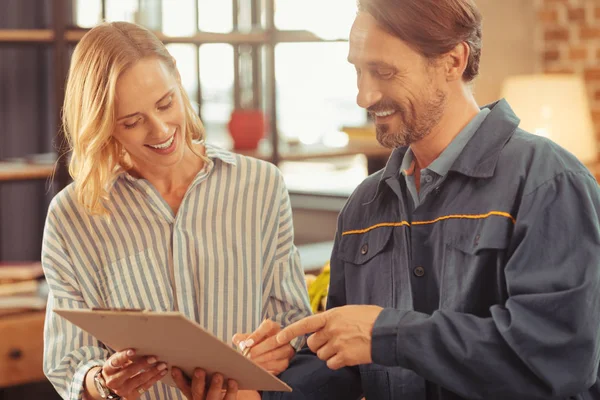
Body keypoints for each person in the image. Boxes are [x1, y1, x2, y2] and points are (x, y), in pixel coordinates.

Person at [267, 0, 600, 399]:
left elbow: (556, 358)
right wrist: (262, 386)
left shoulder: (547, 182)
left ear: (453, 60)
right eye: (358, 70)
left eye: (383, 72)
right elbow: (348, 361)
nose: (364, 96)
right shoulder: (364, 206)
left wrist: (386, 334)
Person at [41, 21, 311, 400]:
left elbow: (292, 320)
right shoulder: (73, 218)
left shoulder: (260, 186)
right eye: (132, 121)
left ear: (179, 81)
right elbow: (67, 359)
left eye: (166, 103)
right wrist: (104, 383)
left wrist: (278, 344)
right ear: (103, 127)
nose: (160, 130)